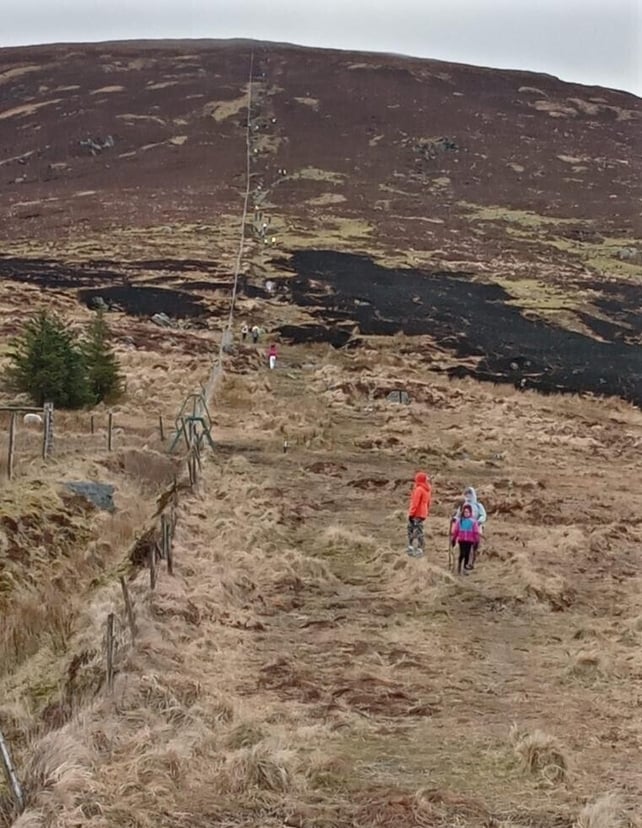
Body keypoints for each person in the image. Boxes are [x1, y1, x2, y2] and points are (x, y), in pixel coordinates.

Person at [454, 485, 487, 570]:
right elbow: (458, 515)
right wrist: (455, 519)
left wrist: (479, 521)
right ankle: (464, 563)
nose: (468, 496)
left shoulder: (478, 505)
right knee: (466, 546)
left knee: (474, 545)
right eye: (467, 494)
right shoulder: (463, 506)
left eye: (470, 494)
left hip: (476, 527)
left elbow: (483, 515)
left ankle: (471, 562)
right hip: (465, 528)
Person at [407, 471, 432, 557]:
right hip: (423, 513)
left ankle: (412, 547)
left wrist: (411, 514)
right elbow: (428, 503)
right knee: (419, 530)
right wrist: (426, 511)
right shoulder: (428, 489)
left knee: (411, 529)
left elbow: (415, 503)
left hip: (417, 513)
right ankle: (419, 548)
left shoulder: (419, 489)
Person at [451, 503, 480, 576]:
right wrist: (454, 539)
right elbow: (456, 531)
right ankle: (459, 567)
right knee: (462, 554)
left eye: (467, 512)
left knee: (467, 554)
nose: (466, 513)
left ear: (470, 512)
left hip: (469, 540)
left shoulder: (473, 522)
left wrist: (476, 540)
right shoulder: (459, 521)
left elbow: (476, 532)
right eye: (465, 512)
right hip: (462, 540)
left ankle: (464, 568)